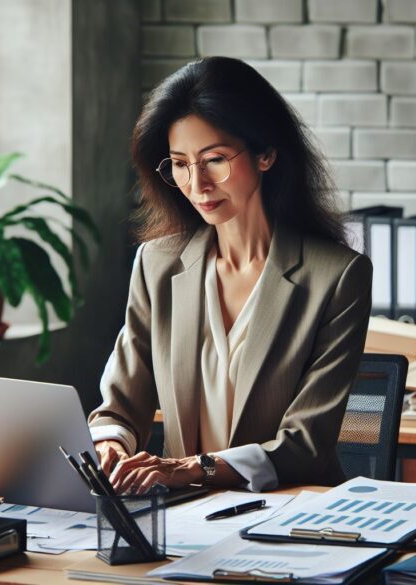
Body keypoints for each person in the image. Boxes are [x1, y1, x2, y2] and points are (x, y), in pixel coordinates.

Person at [88, 56, 372, 495]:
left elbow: (305, 445)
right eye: (179, 164)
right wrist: (111, 447)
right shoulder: (157, 265)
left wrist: (192, 468)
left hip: (288, 515)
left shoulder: (337, 277)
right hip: (184, 516)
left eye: (214, 160)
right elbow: (119, 408)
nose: (196, 184)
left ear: (266, 153)